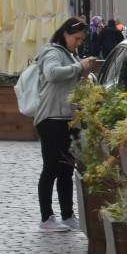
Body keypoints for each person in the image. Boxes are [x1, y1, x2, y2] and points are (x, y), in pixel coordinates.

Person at [33, 18, 94, 233]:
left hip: (67, 118)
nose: (78, 43)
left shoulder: (70, 54)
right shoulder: (53, 52)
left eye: (81, 40)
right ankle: (46, 217)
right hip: (51, 118)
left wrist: (84, 74)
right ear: (66, 33)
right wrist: (78, 67)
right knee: (51, 167)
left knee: (67, 168)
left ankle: (68, 215)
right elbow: (52, 74)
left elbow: (70, 80)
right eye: (76, 38)